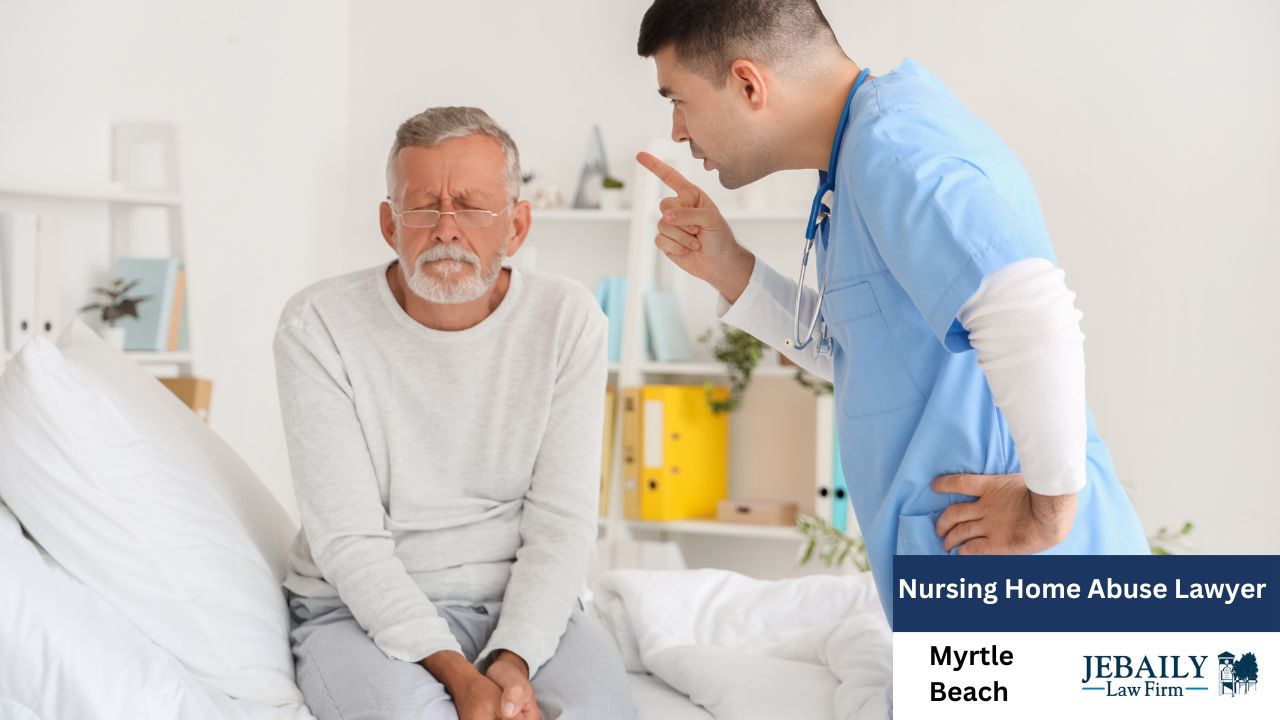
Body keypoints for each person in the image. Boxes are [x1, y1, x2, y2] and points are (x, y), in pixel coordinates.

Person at [633, 0, 1149, 623]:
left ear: (748, 83)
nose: (678, 131)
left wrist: (1050, 510)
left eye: (677, 99)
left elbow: (1025, 303)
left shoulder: (893, 149)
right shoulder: (859, 158)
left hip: (1025, 585)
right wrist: (728, 268)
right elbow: (870, 359)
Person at [274, 106, 638, 720]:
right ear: (390, 224)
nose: (446, 228)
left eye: (471, 206)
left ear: (516, 227)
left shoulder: (568, 319)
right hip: (358, 613)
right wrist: (460, 680)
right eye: (423, 206)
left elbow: (562, 525)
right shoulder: (318, 325)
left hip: (522, 610)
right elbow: (349, 541)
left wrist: (513, 658)